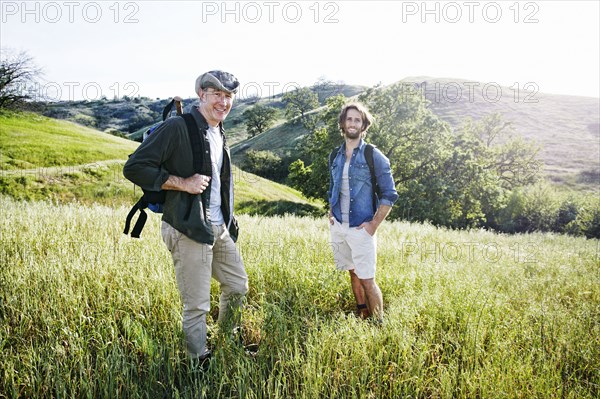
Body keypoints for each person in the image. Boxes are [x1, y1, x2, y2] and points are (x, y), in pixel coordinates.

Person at [123, 70, 248, 363]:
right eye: (216, 93)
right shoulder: (178, 127)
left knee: (237, 286)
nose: (223, 101)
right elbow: (135, 167)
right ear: (201, 94)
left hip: (217, 227)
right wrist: (183, 183)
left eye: (228, 96)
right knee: (197, 305)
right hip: (187, 227)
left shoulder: (218, 131)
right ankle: (198, 361)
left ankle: (227, 342)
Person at [328, 102, 398, 323]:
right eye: (349, 119)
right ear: (342, 123)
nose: (352, 123)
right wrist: (330, 210)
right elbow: (333, 185)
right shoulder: (335, 156)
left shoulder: (373, 155)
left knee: (367, 279)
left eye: (357, 120)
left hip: (362, 227)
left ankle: (379, 325)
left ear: (363, 125)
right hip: (339, 226)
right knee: (352, 271)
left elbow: (389, 194)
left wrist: (373, 225)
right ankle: (362, 312)